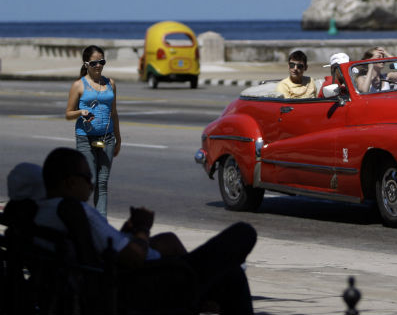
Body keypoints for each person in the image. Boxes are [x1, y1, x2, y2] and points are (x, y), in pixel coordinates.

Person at [33, 147, 255, 314]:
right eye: (87, 179)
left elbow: (104, 249)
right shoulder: (76, 211)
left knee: (219, 268)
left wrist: (126, 232)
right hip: (138, 283)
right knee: (242, 236)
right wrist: (141, 228)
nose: (91, 186)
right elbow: (134, 258)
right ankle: (192, 296)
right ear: (71, 182)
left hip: (109, 276)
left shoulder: (41, 212)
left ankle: (197, 294)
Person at [64, 44, 121, 218]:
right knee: (91, 181)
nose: (99, 66)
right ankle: (77, 216)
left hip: (107, 138)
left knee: (103, 183)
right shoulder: (78, 85)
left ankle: (101, 221)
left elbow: (114, 112)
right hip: (85, 138)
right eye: (94, 63)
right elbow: (68, 114)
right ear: (86, 63)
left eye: (102, 62)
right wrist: (81, 112)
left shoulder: (110, 83)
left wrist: (118, 138)